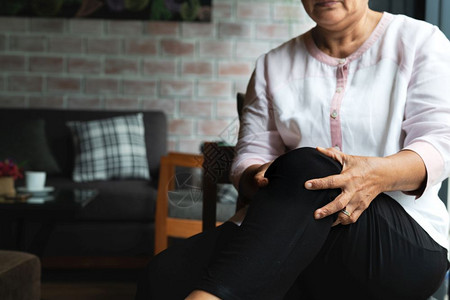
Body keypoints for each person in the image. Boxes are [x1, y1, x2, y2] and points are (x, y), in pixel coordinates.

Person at [136, 0, 450, 299]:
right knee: (162, 274)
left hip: (400, 242)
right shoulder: (273, 65)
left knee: (311, 166)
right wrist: (257, 176)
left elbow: (440, 143)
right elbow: (249, 157)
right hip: (293, 231)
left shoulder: (420, 41)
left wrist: (371, 176)